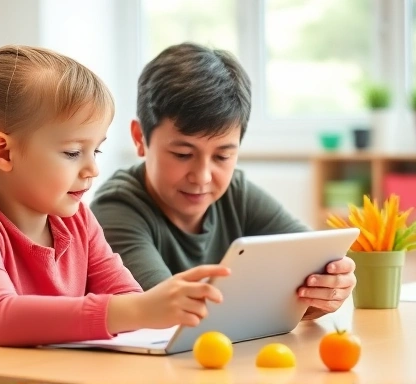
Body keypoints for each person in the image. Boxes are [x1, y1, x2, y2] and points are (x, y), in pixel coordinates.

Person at [0, 45, 231, 352]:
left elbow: (128, 297)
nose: (92, 169)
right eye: (73, 152)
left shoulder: (78, 221)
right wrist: (137, 310)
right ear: (3, 152)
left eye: (96, 149)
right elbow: (1, 317)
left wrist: (157, 308)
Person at [90, 42, 356, 320]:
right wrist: (289, 300)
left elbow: (311, 258)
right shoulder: (116, 209)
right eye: (183, 154)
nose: (202, 176)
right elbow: (167, 314)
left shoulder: (235, 192)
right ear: (139, 138)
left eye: (222, 156)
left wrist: (327, 287)